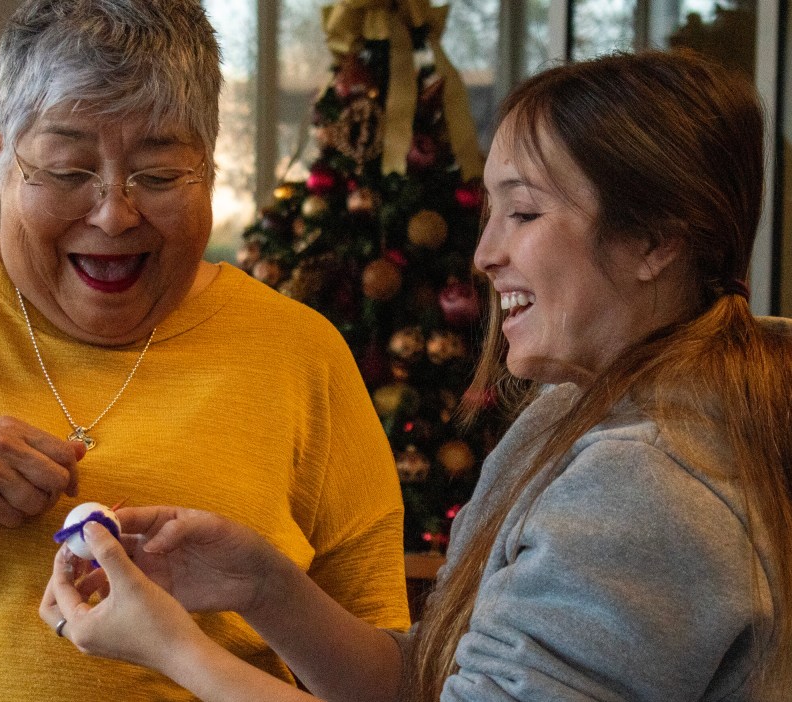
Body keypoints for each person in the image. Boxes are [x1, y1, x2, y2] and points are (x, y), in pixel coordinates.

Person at [40, 49, 792, 701]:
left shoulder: (648, 481)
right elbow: (436, 683)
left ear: (654, 242)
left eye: (524, 214)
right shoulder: (567, 412)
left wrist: (176, 650)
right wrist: (262, 585)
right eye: (490, 213)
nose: (484, 255)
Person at [0, 0, 412, 699]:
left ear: (208, 166)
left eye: (158, 175)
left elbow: (385, 686)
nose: (113, 214)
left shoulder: (301, 353)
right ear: (2, 154)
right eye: (69, 170)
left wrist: (266, 588)